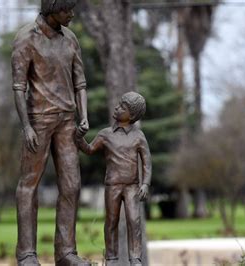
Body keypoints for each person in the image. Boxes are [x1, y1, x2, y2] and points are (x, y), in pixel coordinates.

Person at [11, 0, 90, 265]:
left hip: (67, 122)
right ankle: (26, 254)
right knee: (28, 185)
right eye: (67, 10)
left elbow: (80, 82)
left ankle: (66, 252)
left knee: (72, 185)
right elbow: (18, 87)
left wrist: (84, 116)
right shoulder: (26, 39)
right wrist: (26, 126)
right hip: (38, 121)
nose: (72, 14)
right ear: (51, 10)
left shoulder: (70, 39)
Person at [75, 92, 152, 266]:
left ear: (131, 115)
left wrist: (145, 184)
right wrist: (79, 137)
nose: (117, 108)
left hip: (132, 186)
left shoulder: (138, 136)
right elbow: (88, 149)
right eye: (118, 105)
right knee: (111, 221)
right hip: (113, 185)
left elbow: (147, 162)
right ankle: (111, 258)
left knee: (134, 221)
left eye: (122, 107)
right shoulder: (105, 134)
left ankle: (135, 258)